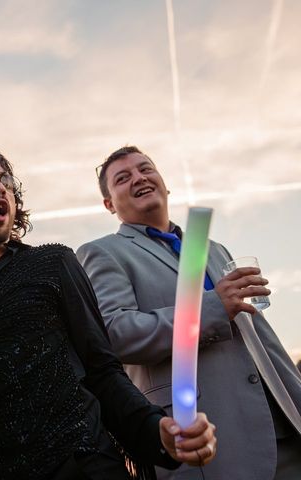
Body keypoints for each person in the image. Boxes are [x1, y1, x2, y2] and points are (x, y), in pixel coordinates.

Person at [0, 150, 217, 480]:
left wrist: (155, 431)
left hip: (81, 467)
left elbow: (103, 370)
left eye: (7, 181)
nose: (0, 188)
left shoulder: (52, 263)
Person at [77, 145, 301, 479]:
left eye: (145, 169)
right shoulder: (102, 253)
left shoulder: (211, 248)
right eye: (123, 178)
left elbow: (261, 339)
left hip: (285, 427)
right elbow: (116, 333)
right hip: (208, 439)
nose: (139, 178)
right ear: (109, 204)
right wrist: (212, 309)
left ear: (164, 184)